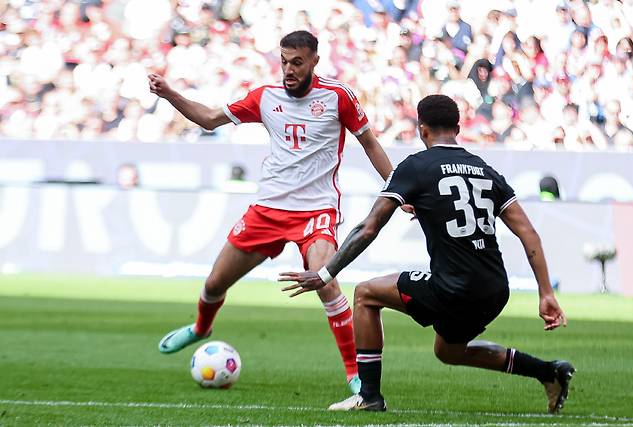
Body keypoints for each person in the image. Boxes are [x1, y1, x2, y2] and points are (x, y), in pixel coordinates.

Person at [280, 94, 575, 413]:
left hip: (453, 288)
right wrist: (545, 292)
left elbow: (368, 227)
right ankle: (549, 372)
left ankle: (368, 396)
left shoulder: (416, 167)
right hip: (494, 289)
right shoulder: (484, 169)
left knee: (366, 294)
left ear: (422, 130)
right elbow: (528, 232)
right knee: (448, 351)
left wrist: (324, 274)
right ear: (458, 128)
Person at [149, 30, 394, 394]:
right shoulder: (266, 98)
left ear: (314, 61)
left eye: (297, 62)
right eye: (284, 62)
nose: (289, 70)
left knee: (325, 281)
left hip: (316, 210)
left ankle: (353, 374)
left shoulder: (338, 97)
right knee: (216, 283)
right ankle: (201, 328)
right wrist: (169, 93)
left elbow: (370, 143)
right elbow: (210, 119)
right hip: (267, 209)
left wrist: (396, 186)